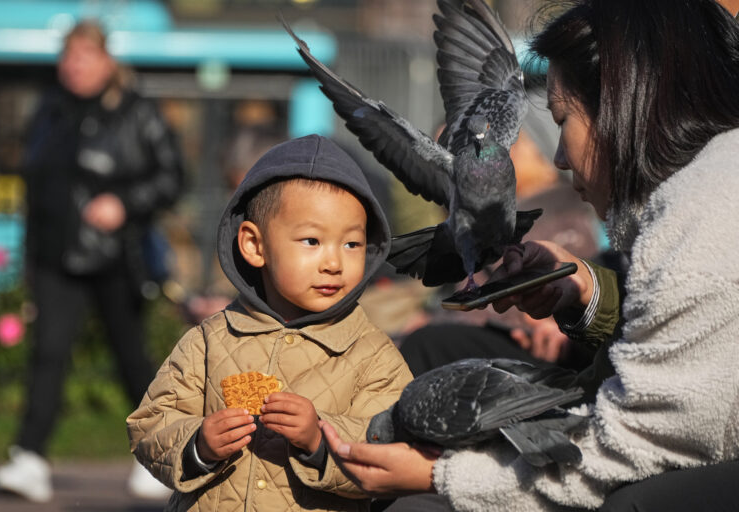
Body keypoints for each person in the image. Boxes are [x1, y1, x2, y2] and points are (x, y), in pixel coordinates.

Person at [317, 0, 739, 510]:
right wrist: (581, 288)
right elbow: (684, 330)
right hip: (638, 421)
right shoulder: (698, 198)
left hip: (660, 467)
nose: (557, 156)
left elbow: (634, 445)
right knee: (435, 347)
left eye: (562, 121)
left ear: (629, 108)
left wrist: (440, 476)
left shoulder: (706, 217)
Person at [126, 134, 413, 511]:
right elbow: (151, 423)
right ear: (255, 246)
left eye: (351, 244)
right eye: (312, 241)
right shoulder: (210, 340)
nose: (334, 263)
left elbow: (394, 451)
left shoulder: (373, 355)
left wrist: (319, 439)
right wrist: (198, 445)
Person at [0, 21, 184, 502]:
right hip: (56, 259)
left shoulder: (137, 112)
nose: (72, 65)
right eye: (67, 56)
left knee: (130, 358)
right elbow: (37, 189)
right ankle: (29, 458)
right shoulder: (49, 110)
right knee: (48, 356)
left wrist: (123, 203)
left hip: (116, 259)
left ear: (106, 60)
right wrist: (29, 259)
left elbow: (172, 176)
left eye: (83, 56)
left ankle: (157, 456)